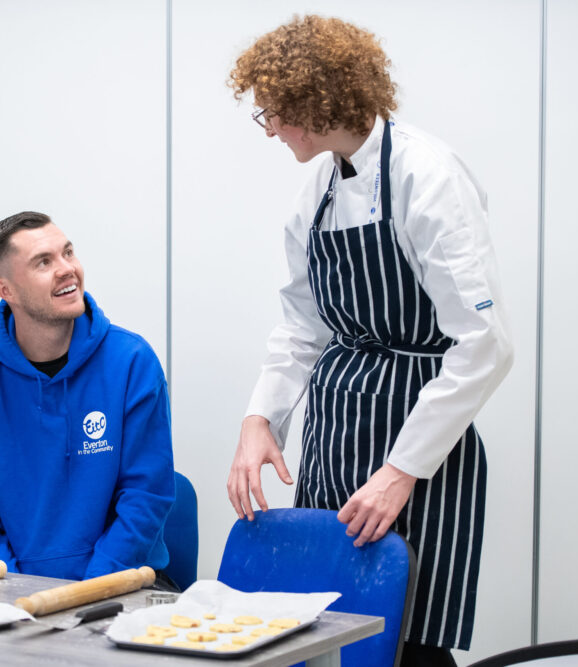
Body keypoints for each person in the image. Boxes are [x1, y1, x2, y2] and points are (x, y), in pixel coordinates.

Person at [224, 16, 513, 666]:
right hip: (336, 437)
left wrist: (403, 469)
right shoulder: (318, 190)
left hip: (417, 444)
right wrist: (258, 419)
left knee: (407, 643)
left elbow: (484, 343)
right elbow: (302, 322)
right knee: (323, 631)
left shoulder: (428, 176)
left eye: (273, 111)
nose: (269, 128)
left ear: (315, 100)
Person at [0, 211, 175, 584]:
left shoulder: (131, 362)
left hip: (122, 584)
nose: (67, 269)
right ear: (6, 290)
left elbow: (146, 497)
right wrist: (21, 595)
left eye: (68, 253)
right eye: (43, 262)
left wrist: (88, 590)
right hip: (20, 596)